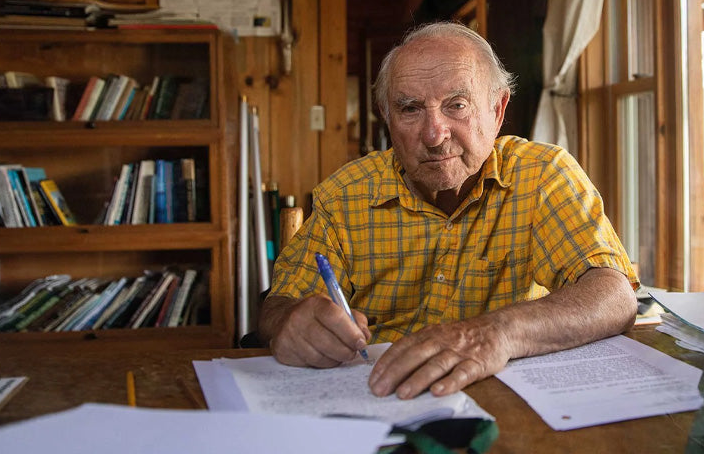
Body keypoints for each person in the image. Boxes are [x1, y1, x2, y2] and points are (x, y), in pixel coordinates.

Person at [257, 21, 638, 400]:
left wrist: (495, 333)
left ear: (497, 109)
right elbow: (279, 305)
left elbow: (613, 295)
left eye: (456, 105)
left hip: (505, 400)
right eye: (410, 108)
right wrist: (289, 323)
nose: (435, 134)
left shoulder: (542, 176)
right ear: (387, 118)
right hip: (374, 399)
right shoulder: (344, 196)